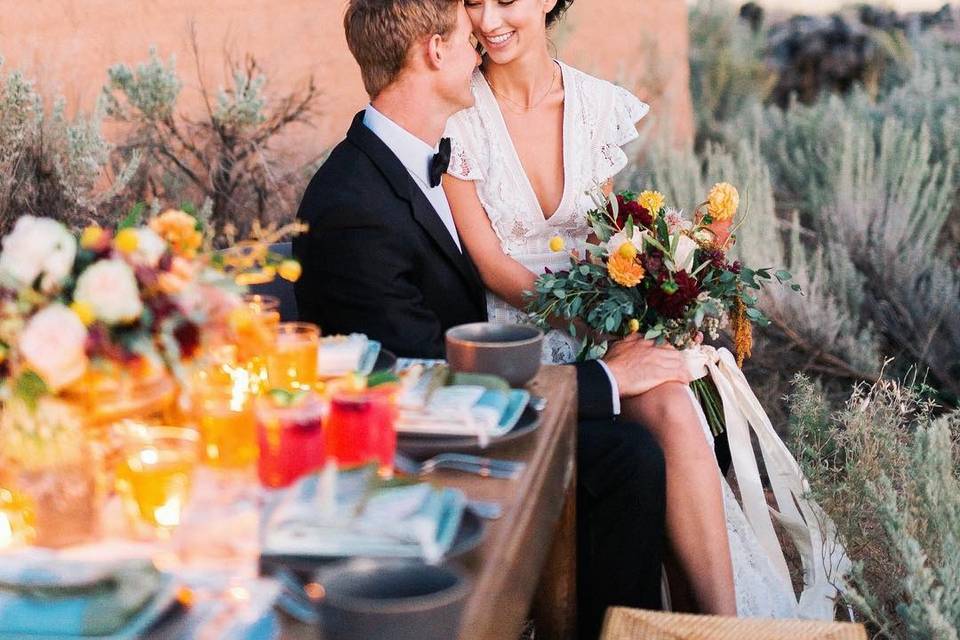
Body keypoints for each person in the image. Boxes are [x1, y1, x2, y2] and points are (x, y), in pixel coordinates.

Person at [293, 1, 687, 635]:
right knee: (626, 456)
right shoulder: (354, 202)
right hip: (406, 451)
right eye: (461, 25)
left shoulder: (423, 158)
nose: (478, 36)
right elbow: (416, 372)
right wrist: (604, 381)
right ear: (434, 51)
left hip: (457, 405)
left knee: (643, 436)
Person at [442, 0, 798, 618]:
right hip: (522, 347)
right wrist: (585, 322)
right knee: (653, 392)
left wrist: (646, 302)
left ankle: (717, 622)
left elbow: (608, 238)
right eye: (473, 3)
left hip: (601, 328)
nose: (488, 20)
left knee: (672, 402)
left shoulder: (595, 106)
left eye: (505, 1)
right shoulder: (458, 117)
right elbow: (490, 263)